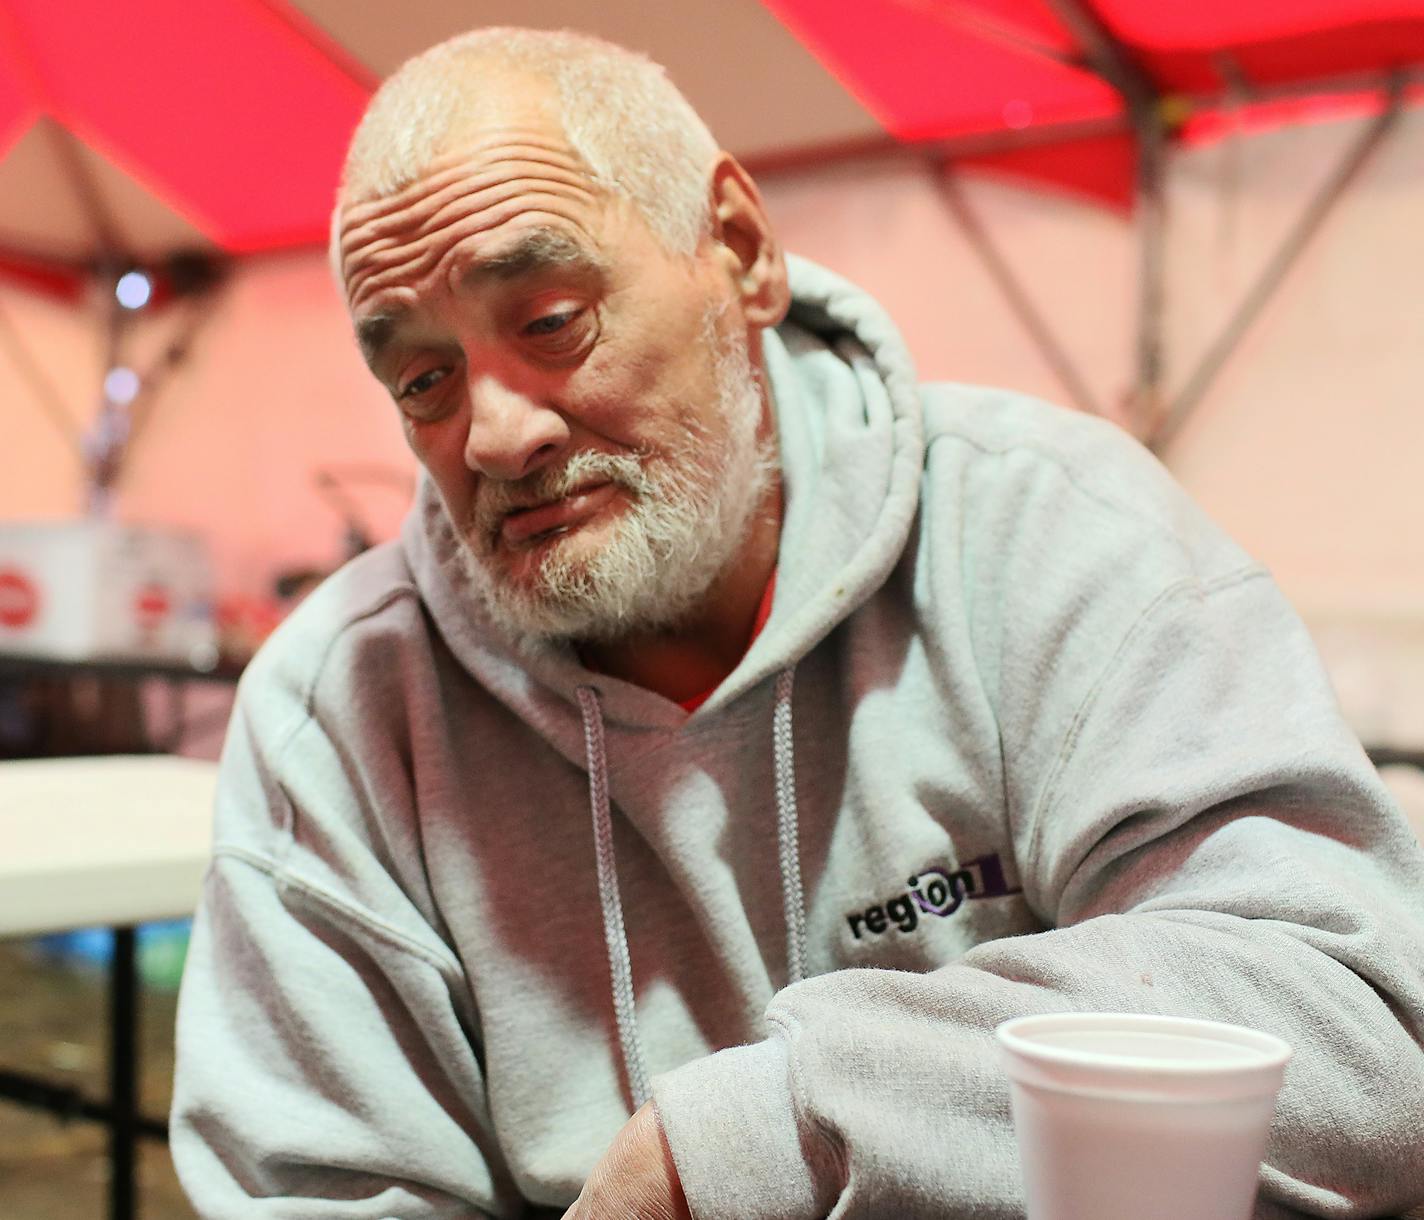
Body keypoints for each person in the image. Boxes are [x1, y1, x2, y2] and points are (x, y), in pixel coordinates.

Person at [171, 26, 1424, 1220]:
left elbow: (1360, 1028)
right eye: (422, 379)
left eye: (551, 321)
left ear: (738, 249)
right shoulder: (336, 711)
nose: (496, 435)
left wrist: (765, 1132)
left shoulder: (1050, 536)